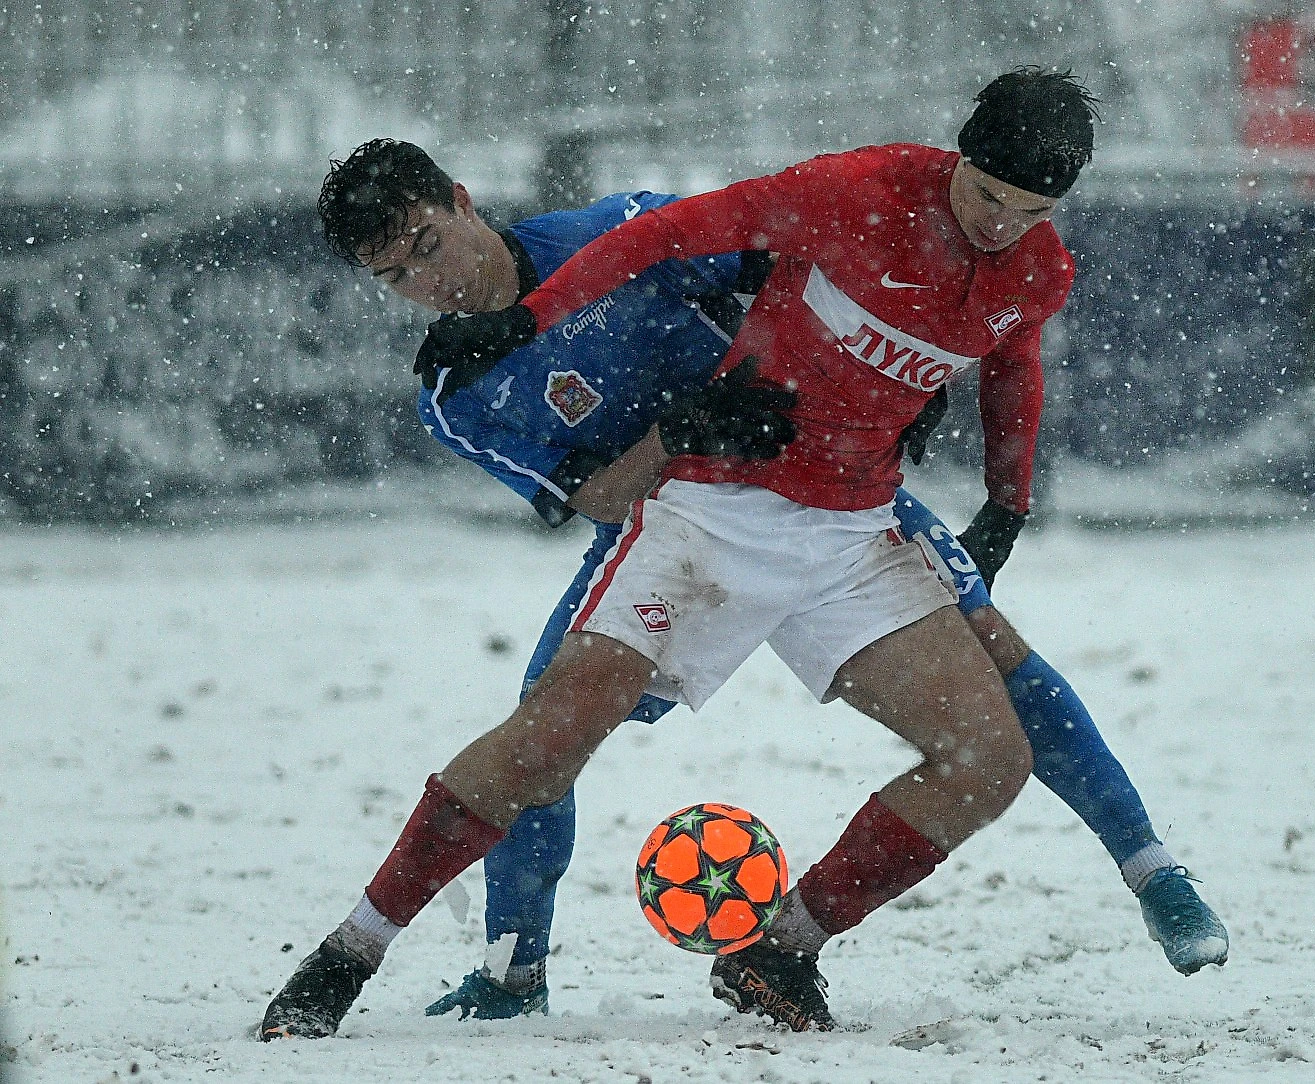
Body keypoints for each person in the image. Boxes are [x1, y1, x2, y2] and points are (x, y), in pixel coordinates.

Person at [262, 70, 1224, 1039]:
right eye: (397, 276)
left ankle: (1136, 872)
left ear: (463, 202)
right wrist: (690, 422)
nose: (430, 278)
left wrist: (898, 374)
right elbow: (598, 496)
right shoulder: (456, 384)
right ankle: (439, 959)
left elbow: (746, 250)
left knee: (999, 693)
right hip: (694, 512)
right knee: (548, 731)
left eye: (428, 244)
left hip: (847, 503)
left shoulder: (615, 230)